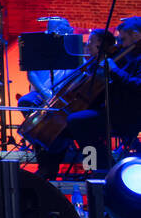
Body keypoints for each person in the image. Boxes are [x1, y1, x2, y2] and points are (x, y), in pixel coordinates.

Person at [35, 21, 141, 177]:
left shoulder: (136, 58)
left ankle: (102, 168)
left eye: (123, 40)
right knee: (61, 128)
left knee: (78, 121)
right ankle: (48, 170)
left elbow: (137, 85)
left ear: (136, 36)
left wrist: (115, 71)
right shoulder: (126, 55)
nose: (120, 44)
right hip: (111, 111)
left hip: (127, 115)